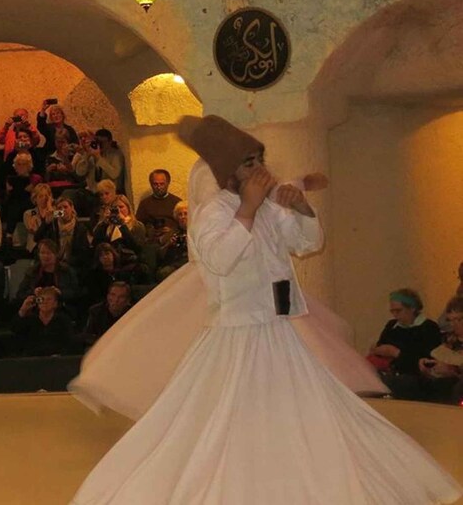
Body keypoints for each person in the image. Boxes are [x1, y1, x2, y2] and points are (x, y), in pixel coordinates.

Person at [70, 116, 462, 504]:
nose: (260, 169)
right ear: (229, 172)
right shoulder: (214, 212)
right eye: (249, 163)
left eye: (260, 159)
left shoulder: (270, 206)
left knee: (306, 411)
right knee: (220, 421)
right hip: (234, 335)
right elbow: (220, 260)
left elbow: (306, 243)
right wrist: (248, 210)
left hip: (279, 329)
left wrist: (303, 208)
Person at [368, 288, 443, 400]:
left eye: (398, 311)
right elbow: (381, 345)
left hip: (416, 377)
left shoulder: (428, 328)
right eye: (392, 311)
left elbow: (426, 360)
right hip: (389, 371)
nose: (395, 315)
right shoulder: (392, 326)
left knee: (395, 383)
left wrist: (396, 353)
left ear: (412, 308)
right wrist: (378, 350)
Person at [418, 297, 463, 404]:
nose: (453, 324)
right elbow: (438, 356)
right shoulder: (449, 339)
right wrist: (428, 367)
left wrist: (454, 370)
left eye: (458, 319)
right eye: (450, 320)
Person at [135, 168, 183, 238]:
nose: (159, 187)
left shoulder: (177, 202)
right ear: (151, 184)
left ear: (168, 183)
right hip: (152, 240)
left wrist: (172, 231)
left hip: (173, 239)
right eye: (155, 184)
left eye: (162, 184)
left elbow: (184, 224)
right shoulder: (145, 204)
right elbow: (138, 227)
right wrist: (151, 231)